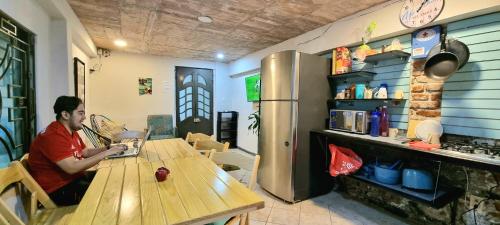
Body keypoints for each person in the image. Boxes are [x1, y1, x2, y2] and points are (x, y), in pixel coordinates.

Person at [28, 96, 126, 206]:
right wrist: (105, 154)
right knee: (107, 193)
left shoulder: (70, 131)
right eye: (80, 113)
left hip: (74, 179)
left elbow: (85, 153)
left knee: (111, 177)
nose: (84, 117)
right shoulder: (53, 135)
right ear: (65, 115)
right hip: (58, 191)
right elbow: (72, 168)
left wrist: (108, 148)